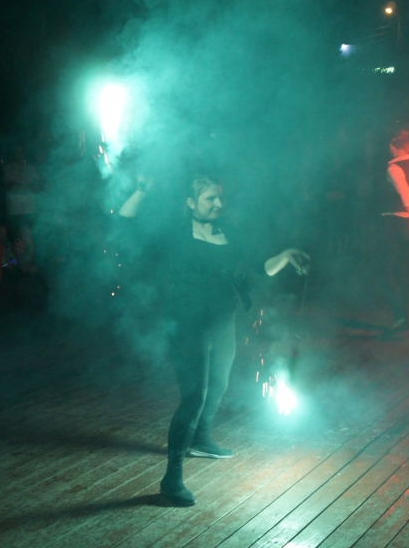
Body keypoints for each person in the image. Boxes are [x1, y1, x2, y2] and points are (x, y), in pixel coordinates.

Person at [119, 173, 309, 507]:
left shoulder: (229, 234)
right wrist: (141, 191)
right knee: (194, 396)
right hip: (188, 326)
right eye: (210, 199)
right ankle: (172, 478)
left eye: (220, 198)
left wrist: (286, 256)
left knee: (218, 386)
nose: (218, 204)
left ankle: (201, 440)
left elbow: (262, 268)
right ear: (191, 203)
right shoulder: (175, 234)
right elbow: (126, 221)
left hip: (223, 324)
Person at [380, 130, 409, 334]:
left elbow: (406, 192)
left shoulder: (393, 168)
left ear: (393, 147)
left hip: (396, 224)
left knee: (388, 271)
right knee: (403, 271)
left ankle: (400, 317)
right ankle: (403, 317)